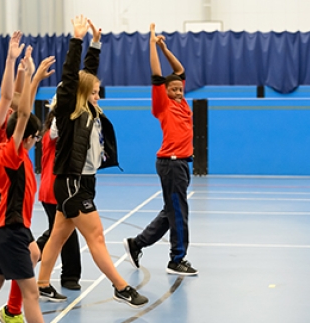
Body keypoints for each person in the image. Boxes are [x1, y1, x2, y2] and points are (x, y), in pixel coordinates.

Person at [36, 16, 148, 308]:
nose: (98, 96)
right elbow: (74, 75)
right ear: (81, 94)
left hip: (83, 182)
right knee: (96, 236)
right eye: (94, 92)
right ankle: (121, 286)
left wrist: (96, 43)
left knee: (58, 236)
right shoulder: (70, 114)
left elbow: (88, 74)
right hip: (72, 183)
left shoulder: (90, 111)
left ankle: (42, 283)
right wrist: (77, 39)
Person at [0, 45, 50, 323]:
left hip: (7, 226)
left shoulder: (20, 153)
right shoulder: (9, 151)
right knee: (32, 293)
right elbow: (21, 109)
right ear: (29, 136)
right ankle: (12, 313)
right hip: (11, 226)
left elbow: (21, 107)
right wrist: (29, 74)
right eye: (36, 136)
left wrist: (29, 74)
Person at [123, 23, 198, 276]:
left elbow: (178, 70)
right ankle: (177, 259)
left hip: (183, 163)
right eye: (173, 89)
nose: (177, 91)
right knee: (178, 213)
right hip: (171, 163)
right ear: (164, 91)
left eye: (180, 89)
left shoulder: (182, 101)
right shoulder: (162, 104)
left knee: (171, 212)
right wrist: (152, 44)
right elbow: (157, 74)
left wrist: (166, 48)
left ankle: (136, 244)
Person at [35, 97, 82, 291]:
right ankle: (69, 275)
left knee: (59, 232)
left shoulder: (65, 135)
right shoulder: (52, 134)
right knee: (64, 234)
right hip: (53, 190)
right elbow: (58, 125)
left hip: (61, 190)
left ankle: (29, 255)